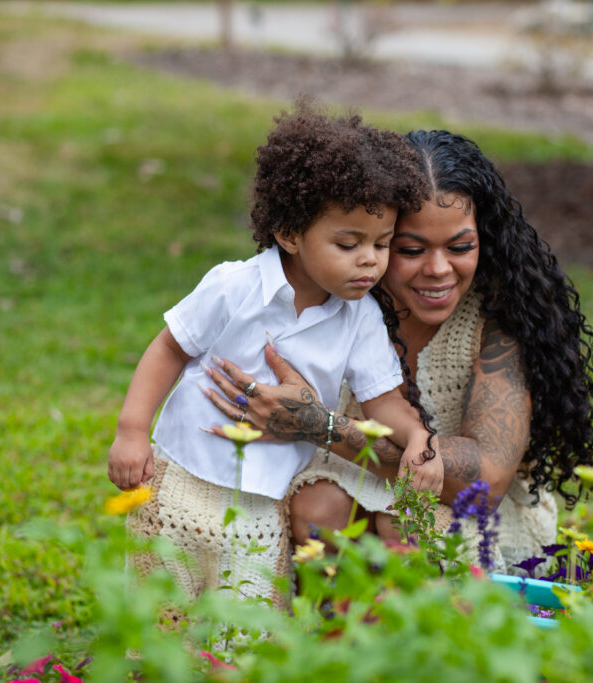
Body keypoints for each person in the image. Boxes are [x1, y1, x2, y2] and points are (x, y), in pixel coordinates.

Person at [205, 129, 593, 572]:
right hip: (342, 483)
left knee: (404, 525)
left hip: (473, 517)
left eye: (460, 247)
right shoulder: (337, 303)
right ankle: (335, 632)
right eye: (411, 250)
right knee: (318, 508)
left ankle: (422, 634)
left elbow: (487, 480)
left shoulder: (496, 323)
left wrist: (319, 426)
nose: (438, 270)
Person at [110, 106, 442, 607]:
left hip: (261, 504)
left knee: (244, 624)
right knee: (162, 610)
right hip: (179, 477)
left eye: (383, 243)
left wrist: (417, 434)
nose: (371, 260)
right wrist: (132, 432)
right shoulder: (234, 286)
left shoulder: (361, 319)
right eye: (349, 243)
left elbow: (384, 401)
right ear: (290, 233)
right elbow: (168, 348)